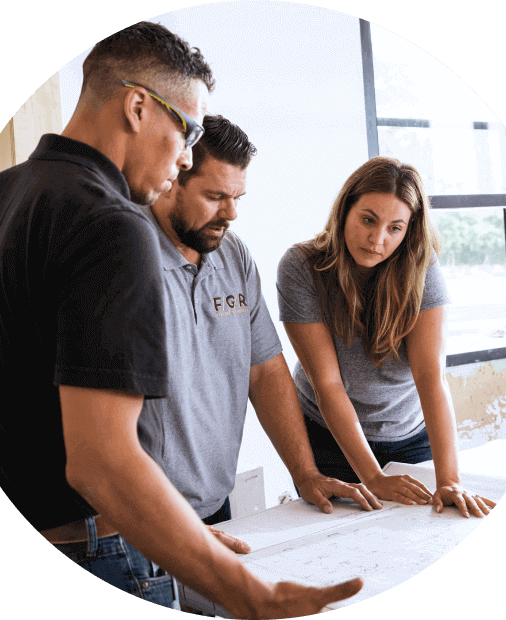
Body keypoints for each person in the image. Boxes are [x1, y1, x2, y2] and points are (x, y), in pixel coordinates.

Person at [0, 22, 364, 618]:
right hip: (98, 551)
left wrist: (179, 539)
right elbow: (101, 463)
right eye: (186, 130)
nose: (188, 154)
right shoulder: (112, 225)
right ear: (138, 106)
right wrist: (251, 594)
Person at [139, 114, 384, 529]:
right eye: (215, 196)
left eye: (238, 197)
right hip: (140, 513)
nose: (231, 213)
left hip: (215, 501)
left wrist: (305, 474)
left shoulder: (233, 255)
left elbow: (266, 371)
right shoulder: (124, 256)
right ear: (171, 179)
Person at [277, 157, 497, 518]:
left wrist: (450, 480)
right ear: (345, 210)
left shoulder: (422, 268)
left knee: (425, 529)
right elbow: (328, 385)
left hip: (409, 433)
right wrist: (374, 478)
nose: (377, 240)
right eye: (368, 220)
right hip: (327, 434)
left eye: (395, 228)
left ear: (409, 231)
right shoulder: (302, 267)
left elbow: (431, 378)